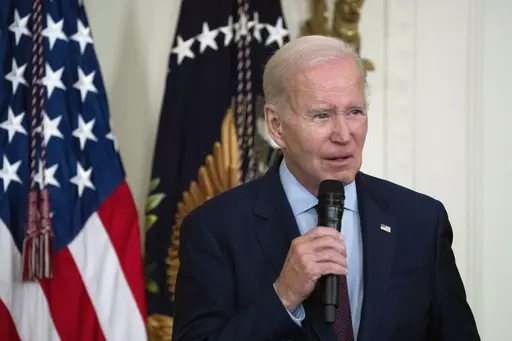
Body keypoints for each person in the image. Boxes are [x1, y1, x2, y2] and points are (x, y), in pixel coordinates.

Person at [171, 35, 481, 341]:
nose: (344, 135)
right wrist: (283, 297)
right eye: (322, 115)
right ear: (276, 125)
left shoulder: (421, 221)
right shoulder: (214, 229)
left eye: (355, 112)